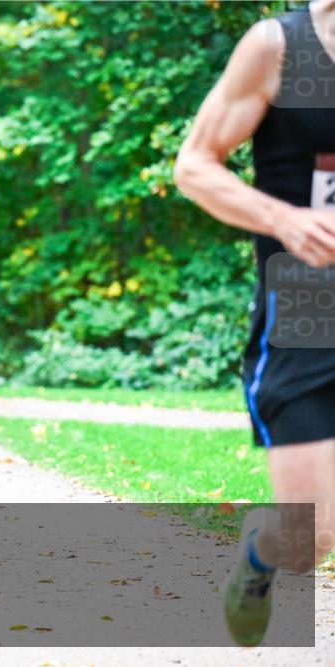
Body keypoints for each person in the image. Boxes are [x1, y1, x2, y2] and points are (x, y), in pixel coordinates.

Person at [174, 0, 335, 647]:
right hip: (307, 313)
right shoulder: (282, 47)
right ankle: (265, 548)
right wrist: (284, 220)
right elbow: (194, 166)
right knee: (310, 536)